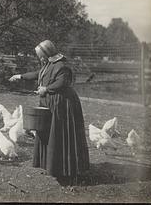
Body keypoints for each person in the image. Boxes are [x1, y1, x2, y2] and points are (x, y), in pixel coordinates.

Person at [9, 40, 90, 186]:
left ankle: (66, 170)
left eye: (40, 55)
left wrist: (46, 89)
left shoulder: (62, 66)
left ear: (47, 53)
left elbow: (63, 82)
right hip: (51, 103)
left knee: (60, 135)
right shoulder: (48, 65)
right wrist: (20, 76)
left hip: (63, 105)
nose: (40, 59)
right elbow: (37, 74)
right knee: (48, 133)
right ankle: (51, 165)